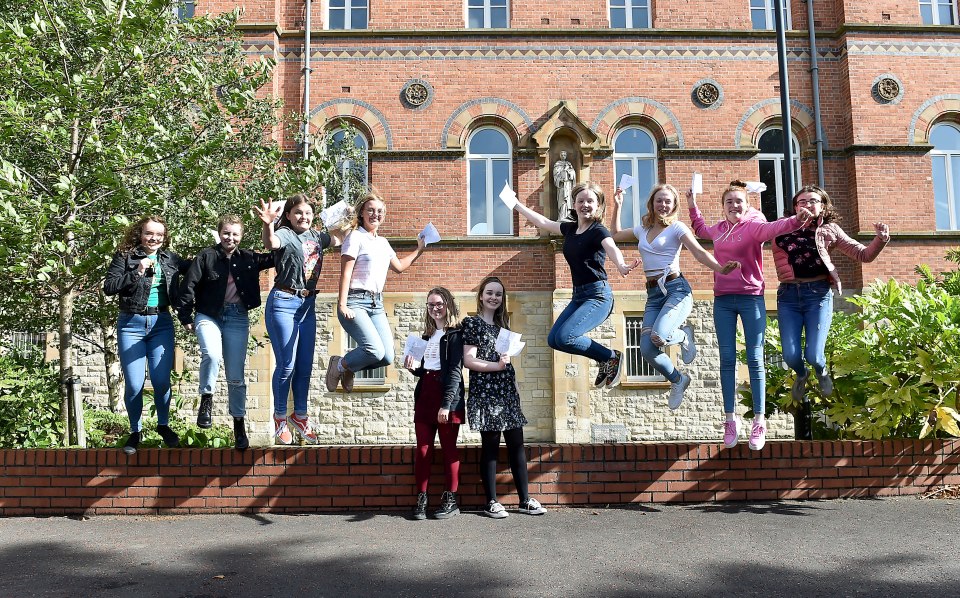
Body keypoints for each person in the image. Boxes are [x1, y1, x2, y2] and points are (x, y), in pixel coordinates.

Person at [689, 181, 812, 451]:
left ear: (747, 206)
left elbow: (775, 228)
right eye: (730, 202)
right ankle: (730, 420)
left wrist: (796, 219)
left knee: (755, 358)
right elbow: (699, 229)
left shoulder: (753, 227)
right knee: (727, 359)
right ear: (723, 207)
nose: (734, 206)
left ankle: (759, 421)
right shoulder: (718, 230)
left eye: (739, 201)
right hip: (722, 300)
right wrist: (691, 204)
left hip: (751, 298)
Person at [772, 185, 890, 438]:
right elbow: (754, 232)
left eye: (813, 201)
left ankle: (821, 371)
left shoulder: (830, 230)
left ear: (823, 206)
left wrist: (879, 239)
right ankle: (801, 375)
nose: (807, 205)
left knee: (814, 354)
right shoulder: (781, 227)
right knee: (792, 356)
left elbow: (863, 255)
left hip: (818, 295)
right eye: (801, 201)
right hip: (788, 296)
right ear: (794, 207)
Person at [611, 184, 740, 410]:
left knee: (660, 335)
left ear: (673, 206)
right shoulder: (642, 229)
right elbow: (614, 235)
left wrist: (720, 269)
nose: (663, 205)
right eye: (659, 200)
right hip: (653, 295)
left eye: (668, 201)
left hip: (676, 289)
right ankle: (678, 380)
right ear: (651, 203)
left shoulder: (677, 228)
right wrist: (617, 206)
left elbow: (699, 252)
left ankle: (683, 336)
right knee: (647, 350)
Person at [510, 181, 635, 389]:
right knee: (554, 340)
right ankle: (605, 359)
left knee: (567, 336)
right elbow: (542, 221)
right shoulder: (569, 228)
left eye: (590, 201)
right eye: (581, 201)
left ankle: (610, 357)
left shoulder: (598, 231)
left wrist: (621, 264)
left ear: (598, 206)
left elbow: (611, 246)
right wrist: (516, 205)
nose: (585, 205)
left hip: (598, 295)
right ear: (574, 204)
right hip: (578, 296)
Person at [175, 214, 274, 450]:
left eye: (235, 234)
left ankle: (239, 423)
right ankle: (206, 399)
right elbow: (188, 285)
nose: (230, 237)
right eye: (226, 233)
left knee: (236, 375)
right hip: (208, 315)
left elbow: (275, 256)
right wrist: (185, 316)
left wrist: (272, 225)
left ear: (241, 236)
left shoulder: (249, 258)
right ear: (219, 234)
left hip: (237, 317)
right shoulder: (206, 257)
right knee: (211, 355)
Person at [254, 194, 345, 445]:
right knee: (287, 364)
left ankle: (300, 415)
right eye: (298, 213)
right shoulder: (284, 233)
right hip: (284, 302)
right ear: (289, 215)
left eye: (307, 213)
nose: (303, 217)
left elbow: (339, 238)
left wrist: (348, 218)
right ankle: (280, 417)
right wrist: (267, 223)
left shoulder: (317, 237)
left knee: (305, 366)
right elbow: (271, 242)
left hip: (308, 305)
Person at [104, 215, 190, 455]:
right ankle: (135, 431)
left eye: (159, 235)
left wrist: (215, 249)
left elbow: (196, 269)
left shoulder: (169, 258)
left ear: (164, 238)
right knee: (134, 385)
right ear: (139, 234)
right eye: (149, 233)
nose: (154, 238)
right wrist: (137, 271)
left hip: (161, 322)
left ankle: (163, 425)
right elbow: (109, 287)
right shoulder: (126, 257)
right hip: (131, 323)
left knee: (162, 380)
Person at [462, 276, 546, 518]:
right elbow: (469, 360)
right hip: (486, 393)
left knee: (516, 445)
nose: (493, 297)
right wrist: (496, 366)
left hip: (507, 392)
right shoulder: (471, 323)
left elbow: (506, 360)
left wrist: (509, 375)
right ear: (481, 295)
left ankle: (525, 500)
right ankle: (491, 501)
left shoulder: (504, 327)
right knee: (490, 447)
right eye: (489, 293)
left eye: (498, 294)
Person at [325, 192, 427, 393]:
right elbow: (345, 273)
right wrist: (342, 304)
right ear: (362, 213)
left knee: (387, 357)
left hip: (376, 304)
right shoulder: (355, 237)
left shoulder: (383, 243)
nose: (375, 214)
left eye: (380, 211)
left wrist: (419, 250)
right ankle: (339, 365)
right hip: (355, 301)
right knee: (374, 349)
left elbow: (398, 267)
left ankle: (349, 367)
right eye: (370, 210)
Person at [403, 287, 466, 520]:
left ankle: (451, 499)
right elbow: (425, 370)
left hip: (447, 397)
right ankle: (422, 498)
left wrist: (447, 404)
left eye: (439, 303)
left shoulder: (456, 335)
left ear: (448, 304)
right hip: (426, 395)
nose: (435, 308)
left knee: (449, 449)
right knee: (423, 450)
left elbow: (454, 372)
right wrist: (413, 368)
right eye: (430, 305)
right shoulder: (426, 336)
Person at [553, 150, 576, 219]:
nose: (563, 156)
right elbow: (555, 175)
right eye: (562, 155)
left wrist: (569, 172)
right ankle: (562, 216)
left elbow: (573, 175)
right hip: (561, 186)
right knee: (562, 201)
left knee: (568, 201)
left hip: (568, 185)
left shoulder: (569, 164)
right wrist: (561, 177)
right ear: (560, 156)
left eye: (564, 155)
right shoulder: (557, 164)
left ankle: (568, 215)